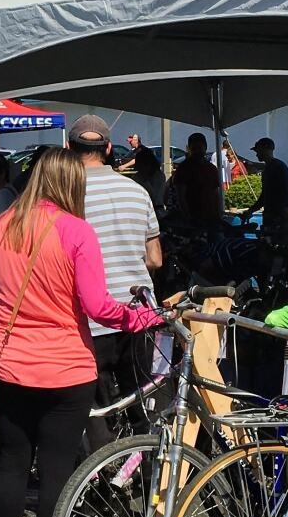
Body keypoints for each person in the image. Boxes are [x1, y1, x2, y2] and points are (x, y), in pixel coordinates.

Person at [0, 147, 162, 517]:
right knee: (57, 473)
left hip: (8, 363)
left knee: (11, 466)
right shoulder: (77, 231)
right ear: (70, 185)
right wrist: (145, 319)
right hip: (64, 368)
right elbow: (99, 306)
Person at [67, 115, 162, 419]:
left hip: (87, 320)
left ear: (70, 147)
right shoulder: (137, 192)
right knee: (141, 410)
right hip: (137, 313)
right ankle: (145, 464)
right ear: (108, 148)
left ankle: (103, 466)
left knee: (96, 413)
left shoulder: (64, 195)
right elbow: (155, 259)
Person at [164, 132, 222, 227]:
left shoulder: (212, 168)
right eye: (194, 149)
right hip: (192, 218)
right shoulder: (183, 168)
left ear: (205, 147)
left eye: (200, 148)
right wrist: (187, 216)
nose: (197, 151)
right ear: (189, 149)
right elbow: (180, 195)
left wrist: (218, 213)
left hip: (211, 217)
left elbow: (216, 192)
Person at [253, 137, 288, 242]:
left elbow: (287, 189)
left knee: (280, 247)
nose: (256, 154)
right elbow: (265, 195)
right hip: (270, 214)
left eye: (258, 150)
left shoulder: (278, 167)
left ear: (265, 149)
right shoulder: (268, 168)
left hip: (279, 216)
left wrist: (286, 207)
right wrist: (251, 210)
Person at [123, 132, 164, 198]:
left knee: (155, 199)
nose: (129, 143)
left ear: (136, 141)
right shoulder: (138, 150)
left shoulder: (141, 150)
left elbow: (136, 160)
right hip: (150, 175)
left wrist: (124, 166)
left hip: (154, 176)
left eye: (131, 141)